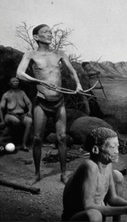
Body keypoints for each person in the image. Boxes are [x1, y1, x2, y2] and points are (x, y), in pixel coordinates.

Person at [16, 24, 83, 185]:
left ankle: (64, 174)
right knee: (38, 138)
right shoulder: (30, 54)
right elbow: (19, 73)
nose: (50, 34)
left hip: (59, 102)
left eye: (50, 32)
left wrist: (78, 85)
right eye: (45, 32)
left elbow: (72, 71)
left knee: (61, 138)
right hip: (42, 102)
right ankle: (37, 174)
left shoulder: (59, 53)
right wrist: (40, 81)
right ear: (36, 37)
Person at [62, 127, 127, 221]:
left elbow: (112, 198)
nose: (117, 152)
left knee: (117, 175)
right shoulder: (90, 167)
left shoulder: (107, 165)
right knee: (94, 215)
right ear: (95, 150)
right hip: (76, 217)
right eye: (112, 147)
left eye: (117, 147)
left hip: (96, 213)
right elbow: (88, 206)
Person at [0, 77, 33, 151]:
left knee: (29, 121)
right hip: (10, 115)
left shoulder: (22, 93)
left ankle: (23, 144)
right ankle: (15, 141)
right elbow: (1, 108)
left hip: (22, 115)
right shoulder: (6, 94)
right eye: (13, 81)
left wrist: (29, 112)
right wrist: (2, 120)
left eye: (17, 81)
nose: (15, 82)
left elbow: (29, 103)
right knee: (16, 121)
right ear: (10, 83)